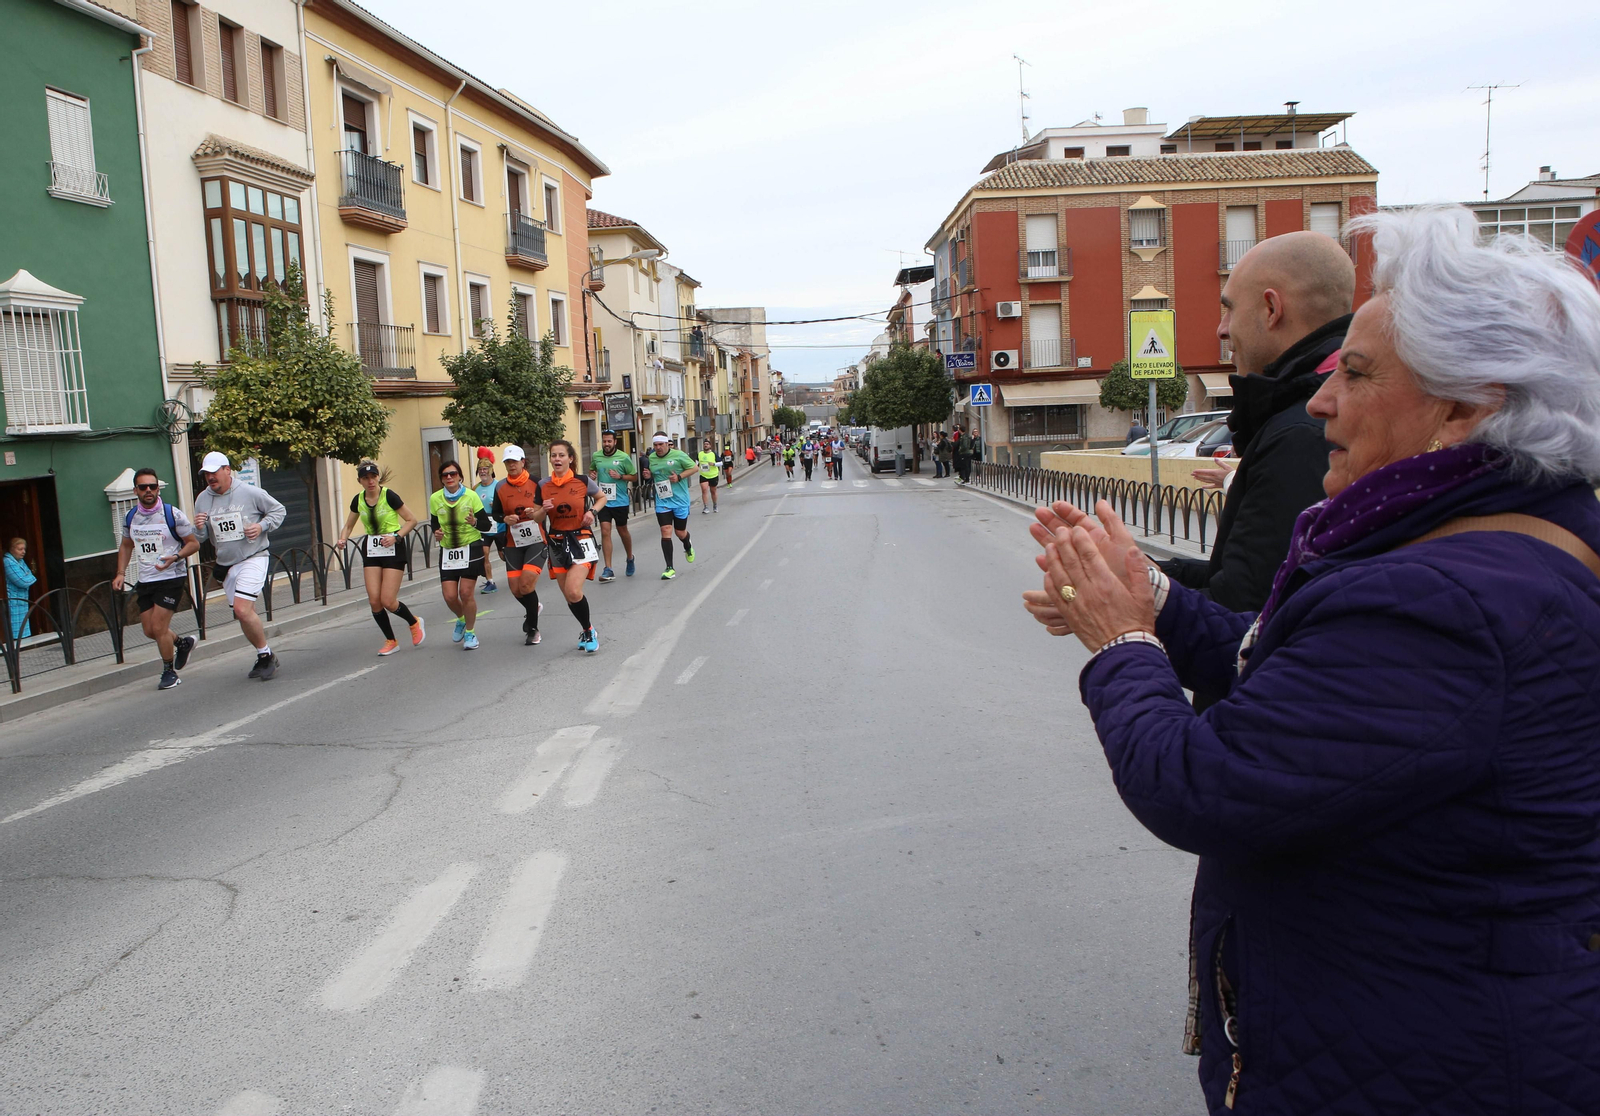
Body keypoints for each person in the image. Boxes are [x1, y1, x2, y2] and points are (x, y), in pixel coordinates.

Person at [1022, 206, 1600, 1115]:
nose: (1323, 399)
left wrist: (1122, 641)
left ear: (1465, 404)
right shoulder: (1472, 538)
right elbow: (1286, 675)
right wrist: (1156, 600)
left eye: (1358, 375)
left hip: (1419, 1063)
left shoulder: (1448, 598)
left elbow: (1203, 784)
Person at [1159, 231, 1355, 656]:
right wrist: (1152, 572)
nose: (1222, 329)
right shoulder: (1305, 417)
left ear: (1271, 308)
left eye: (1228, 309)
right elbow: (1242, 577)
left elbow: (1242, 623)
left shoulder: (1301, 433)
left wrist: (1122, 615)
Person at [192, 452, 286, 680]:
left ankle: (265, 655)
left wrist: (261, 526)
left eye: (215, 472)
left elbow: (279, 510)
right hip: (227, 564)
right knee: (242, 614)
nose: (211, 478)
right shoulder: (202, 499)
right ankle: (265, 655)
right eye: (207, 474)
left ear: (227, 470)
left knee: (243, 610)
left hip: (254, 557)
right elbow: (201, 538)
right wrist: (198, 527)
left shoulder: (250, 492)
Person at [111, 468, 200, 689]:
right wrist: (120, 573)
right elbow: (126, 545)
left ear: (158, 489)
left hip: (171, 576)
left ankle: (169, 672)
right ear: (136, 490)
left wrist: (175, 557)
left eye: (153, 486)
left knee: (159, 628)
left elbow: (193, 543)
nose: (148, 490)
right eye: (143, 487)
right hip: (146, 579)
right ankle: (182, 643)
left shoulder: (173, 514)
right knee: (150, 630)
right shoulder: (131, 517)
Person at [335, 461, 424, 656]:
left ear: (377, 477)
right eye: (365, 478)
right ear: (360, 481)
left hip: (393, 548)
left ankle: (414, 622)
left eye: (373, 477)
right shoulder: (357, 500)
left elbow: (412, 520)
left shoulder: (389, 496)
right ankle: (391, 640)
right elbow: (349, 525)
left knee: (388, 600)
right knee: (375, 600)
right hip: (373, 550)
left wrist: (396, 536)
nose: (370, 481)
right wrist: (343, 538)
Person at [539, 440, 606, 653]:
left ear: (570, 458)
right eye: (553, 455)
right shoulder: (543, 485)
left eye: (561, 455)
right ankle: (587, 629)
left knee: (573, 590)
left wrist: (592, 512)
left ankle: (589, 631)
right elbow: (535, 516)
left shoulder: (582, 481)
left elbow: (601, 497)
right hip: (557, 542)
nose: (557, 459)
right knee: (569, 596)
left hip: (581, 539)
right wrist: (542, 509)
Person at [429, 460, 492, 649]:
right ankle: (461, 619)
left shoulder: (471, 496)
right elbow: (434, 523)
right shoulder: (435, 498)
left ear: (460, 476)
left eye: (453, 474)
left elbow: (486, 525)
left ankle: (471, 634)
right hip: (448, 550)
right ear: (441, 479)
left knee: (465, 593)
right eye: (445, 475)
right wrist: (437, 533)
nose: (449, 477)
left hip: (470, 547)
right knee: (449, 596)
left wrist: (474, 522)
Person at [489, 446, 547, 645]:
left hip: (536, 541)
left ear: (523, 462)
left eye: (514, 461)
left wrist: (537, 514)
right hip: (513, 542)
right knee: (516, 590)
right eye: (507, 462)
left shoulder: (538, 482)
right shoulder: (500, 487)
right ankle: (533, 606)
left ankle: (533, 629)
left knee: (526, 584)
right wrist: (505, 518)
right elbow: (495, 513)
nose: (511, 465)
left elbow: (548, 508)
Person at [644, 433, 696, 580]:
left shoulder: (679, 455)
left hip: (680, 500)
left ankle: (687, 544)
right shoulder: (652, 458)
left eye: (661, 444)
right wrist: (648, 476)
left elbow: (694, 468)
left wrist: (679, 477)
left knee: (680, 533)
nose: (658, 448)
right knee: (665, 530)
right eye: (655, 445)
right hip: (663, 501)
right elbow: (655, 474)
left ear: (667, 444)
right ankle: (669, 568)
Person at [590, 429, 637, 581]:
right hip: (603, 501)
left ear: (615, 442)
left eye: (609, 441)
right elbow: (592, 470)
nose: (607, 444)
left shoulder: (623, 457)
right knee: (605, 530)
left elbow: (634, 476)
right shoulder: (596, 456)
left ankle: (630, 557)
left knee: (622, 530)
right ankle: (608, 568)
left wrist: (621, 476)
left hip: (620, 501)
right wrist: (592, 475)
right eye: (604, 441)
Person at [472, 452, 501, 593]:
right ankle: (491, 582)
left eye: (485, 469)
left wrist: (497, 505)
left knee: (503, 555)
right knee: (484, 553)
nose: (482, 472)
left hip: (499, 527)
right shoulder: (475, 489)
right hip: (484, 527)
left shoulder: (499, 486)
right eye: (480, 469)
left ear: (491, 470)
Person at [4, 537, 35, 641]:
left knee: (23, 632)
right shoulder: (7, 562)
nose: (23, 552)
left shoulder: (20, 561)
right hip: (14, 601)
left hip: (22, 601)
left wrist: (28, 576)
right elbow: (23, 581)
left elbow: (28, 575)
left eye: (24, 549)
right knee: (17, 634)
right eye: (20, 549)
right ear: (12, 549)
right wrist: (29, 576)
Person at [697, 437, 721, 514]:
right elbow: (696, 462)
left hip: (713, 475)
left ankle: (715, 505)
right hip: (703, 475)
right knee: (704, 490)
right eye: (704, 444)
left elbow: (721, 463)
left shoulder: (714, 454)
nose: (705, 445)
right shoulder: (700, 454)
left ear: (710, 445)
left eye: (707, 444)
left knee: (713, 491)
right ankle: (705, 507)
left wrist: (714, 464)